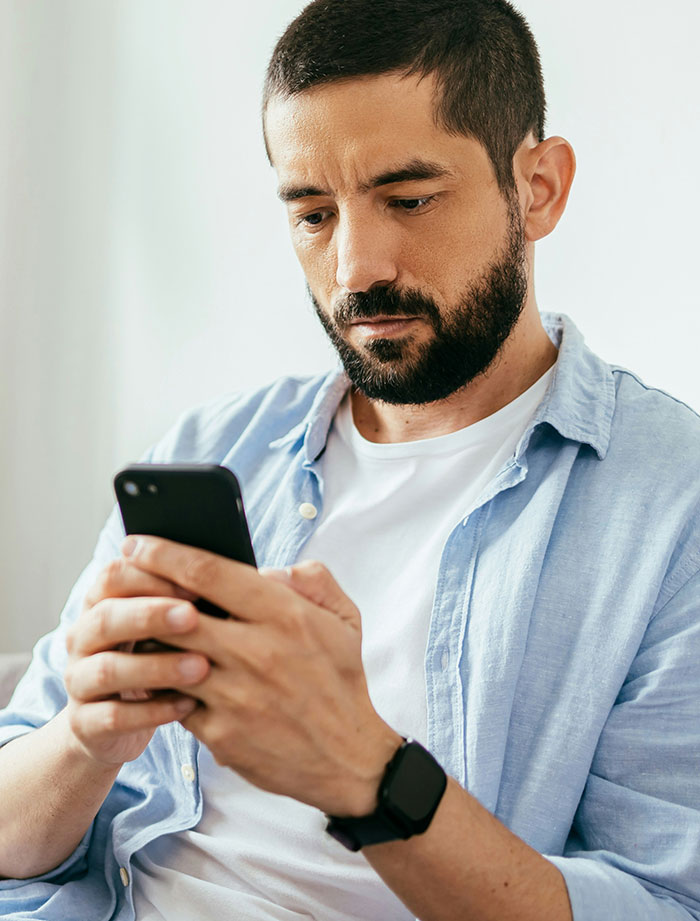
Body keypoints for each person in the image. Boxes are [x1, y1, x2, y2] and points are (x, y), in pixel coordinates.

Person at [1, 0, 699, 918]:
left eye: (408, 199)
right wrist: (88, 740)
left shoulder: (671, 509)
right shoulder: (215, 449)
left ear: (539, 188)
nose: (354, 268)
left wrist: (363, 770)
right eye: (314, 213)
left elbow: (660, 902)